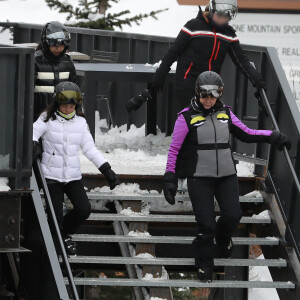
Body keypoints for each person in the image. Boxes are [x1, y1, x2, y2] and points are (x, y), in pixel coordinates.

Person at [163, 71, 290, 282]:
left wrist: (273, 137)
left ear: (219, 95)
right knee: (206, 225)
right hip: (199, 177)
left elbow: (248, 133)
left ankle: (223, 239)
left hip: (226, 175)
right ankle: (204, 265)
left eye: (213, 96)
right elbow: (174, 150)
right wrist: (169, 178)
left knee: (233, 215)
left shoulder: (226, 113)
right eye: (204, 95)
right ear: (198, 93)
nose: (208, 100)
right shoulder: (185, 117)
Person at [126, 0, 266, 129]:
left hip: (211, 88)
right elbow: (172, 54)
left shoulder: (228, 34)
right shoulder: (194, 26)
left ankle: (209, 155)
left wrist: (257, 80)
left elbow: (242, 60)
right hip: (188, 84)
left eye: (227, 17)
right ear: (212, 11)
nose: (223, 20)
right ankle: (188, 154)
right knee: (196, 125)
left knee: (213, 126)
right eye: (220, 15)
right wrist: (156, 84)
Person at [32, 81, 120, 255]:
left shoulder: (80, 123)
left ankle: (63, 234)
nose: (68, 109)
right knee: (55, 215)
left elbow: (89, 148)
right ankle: (57, 243)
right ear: (57, 103)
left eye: (71, 106)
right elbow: (33, 132)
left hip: (72, 176)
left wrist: (106, 170)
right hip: (51, 176)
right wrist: (34, 144)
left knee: (83, 209)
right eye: (64, 105)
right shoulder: (46, 119)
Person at [34, 21, 77, 121]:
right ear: (46, 43)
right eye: (55, 45)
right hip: (38, 113)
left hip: (61, 114)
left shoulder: (67, 62)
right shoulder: (35, 60)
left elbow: (74, 89)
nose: (59, 48)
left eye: (62, 45)